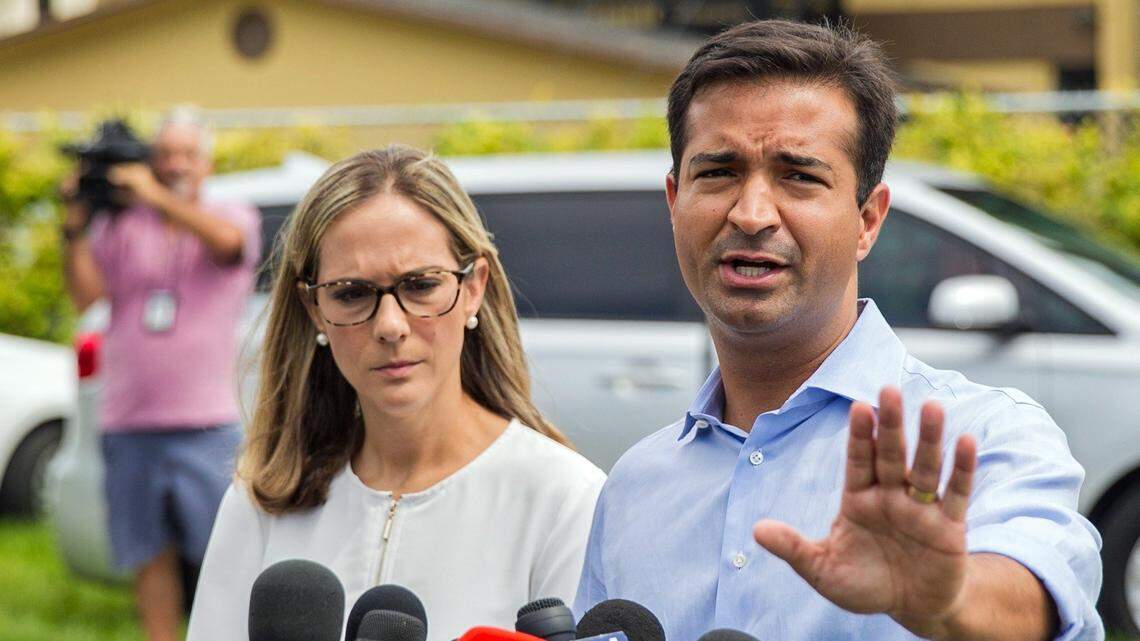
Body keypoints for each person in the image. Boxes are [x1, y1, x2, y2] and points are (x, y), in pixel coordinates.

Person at [574, 19, 1103, 641]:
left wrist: (948, 597)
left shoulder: (980, 437)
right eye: (717, 172)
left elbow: (1035, 597)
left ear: (868, 220)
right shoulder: (636, 486)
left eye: (799, 176)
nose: (751, 214)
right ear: (674, 202)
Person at [186, 145, 605, 641]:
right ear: (314, 309)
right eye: (351, 293)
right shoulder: (263, 502)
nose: (390, 325)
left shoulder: (563, 499)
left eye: (421, 285)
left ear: (474, 287)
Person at [60, 108, 260, 641]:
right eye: (164, 154)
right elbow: (86, 296)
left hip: (206, 424)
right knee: (147, 555)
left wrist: (152, 194)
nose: (175, 164)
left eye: (186, 154)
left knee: (224, 552)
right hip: (129, 422)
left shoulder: (232, 212)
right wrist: (74, 224)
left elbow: (228, 246)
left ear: (206, 164)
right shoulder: (123, 225)